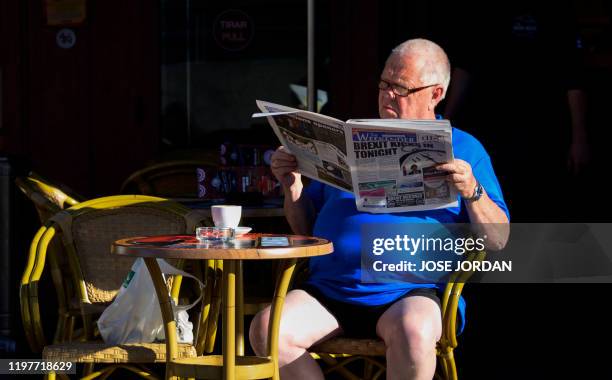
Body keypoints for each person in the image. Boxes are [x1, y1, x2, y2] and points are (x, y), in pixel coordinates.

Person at [249, 39, 510, 380]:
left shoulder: (464, 147)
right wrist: (292, 186)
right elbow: (304, 229)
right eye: (384, 84)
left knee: (415, 333)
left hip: (410, 292)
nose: (387, 94)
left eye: (400, 87)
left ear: (435, 94)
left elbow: (499, 239)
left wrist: (472, 191)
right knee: (265, 330)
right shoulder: (352, 140)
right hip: (331, 287)